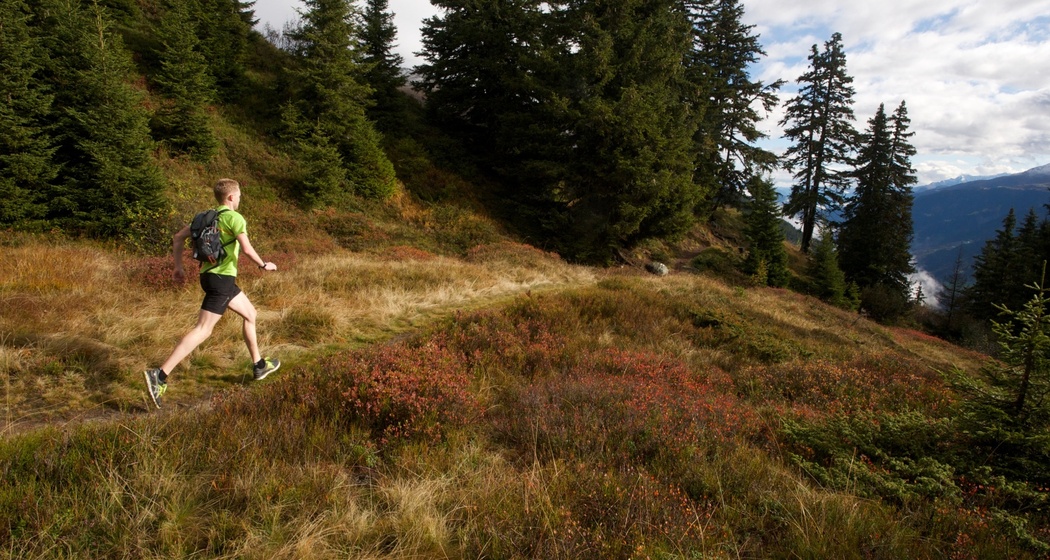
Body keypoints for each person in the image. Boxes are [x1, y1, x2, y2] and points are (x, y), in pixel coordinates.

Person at [144, 178, 280, 408]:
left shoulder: (204, 217)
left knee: (251, 314)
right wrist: (263, 264)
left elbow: (178, 237)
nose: (239, 200)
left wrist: (178, 267)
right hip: (222, 280)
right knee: (203, 329)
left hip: (209, 276)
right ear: (230, 197)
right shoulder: (234, 218)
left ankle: (258, 365)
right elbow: (246, 248)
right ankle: (160, 376)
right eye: (238, 196)